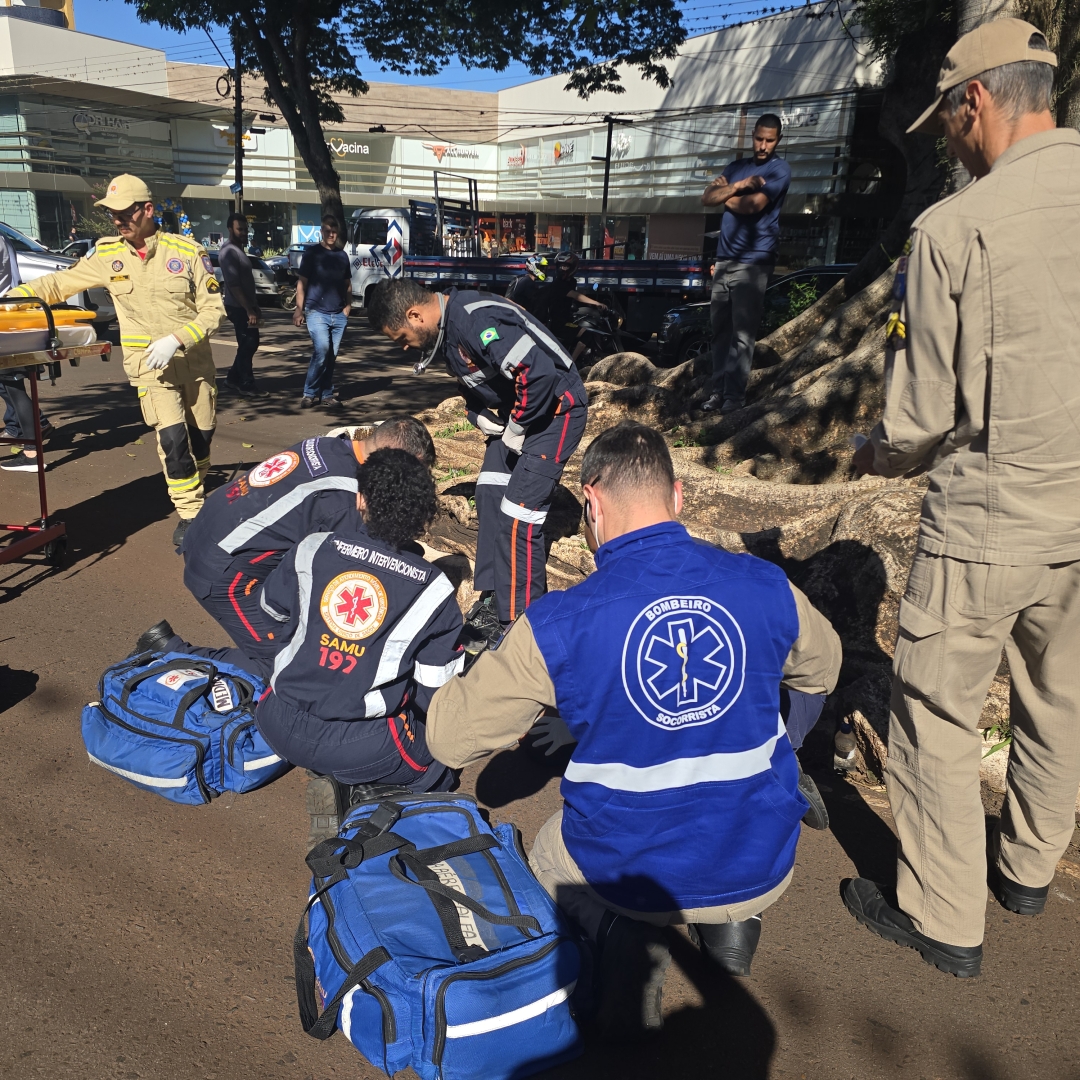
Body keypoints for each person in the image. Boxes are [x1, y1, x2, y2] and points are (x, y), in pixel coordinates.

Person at [425, 421, 841, 1037]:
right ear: (677, 496)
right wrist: (784, 744)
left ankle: (616, 939)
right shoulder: (766, 585)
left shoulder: (560, 622)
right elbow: (823, 667)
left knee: (546, 851)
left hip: (629, 873)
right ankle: (730, 928)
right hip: (763, 862)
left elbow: (448, 740)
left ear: (590, 502)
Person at [846, 20, 1076, 979]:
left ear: (975, 100)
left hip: (989, 513)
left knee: (936, 713)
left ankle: (944, 916)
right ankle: (1026, 870)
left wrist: (876, 453)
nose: (948, 139)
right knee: (1061, 699)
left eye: (946, 121)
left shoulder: (954, 227)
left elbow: (918, 415)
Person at [133, 449, 464, 849]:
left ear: (361, 500)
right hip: (355, 743)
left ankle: (341, 779)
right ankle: (362, 803)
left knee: (277, 662)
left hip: (275, 719)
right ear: (423, 517)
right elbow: (436, 697)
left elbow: (271, 608)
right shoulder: (435, 590)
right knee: (439, 760)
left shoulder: (314, 548)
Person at [3, 174, 224, 545]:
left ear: (147, 210)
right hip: (149, 370)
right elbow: (59, 283)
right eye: (112, 215)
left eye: (124, 213)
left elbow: (214, 309)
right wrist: (16, 298)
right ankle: (190, 513)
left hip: (195, 365)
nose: (118, 221)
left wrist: (177, 339)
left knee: (201, 440)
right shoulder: (108, 254)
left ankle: (196, 482)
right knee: (172, 440)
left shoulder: (187, 253)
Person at [368, 278, 588, 635]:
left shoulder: (474, 319)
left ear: (415, 315)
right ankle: (493, 597)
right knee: (488, 491)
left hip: (556, 410)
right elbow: (471, 383)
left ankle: (520, 625)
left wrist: (517, 427)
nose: (405, 349)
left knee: (519, 517)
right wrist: (477, 415)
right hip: (519, 414)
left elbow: (538, 374)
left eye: (402, 338)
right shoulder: (446, 333)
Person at [154, 415, 437, 666]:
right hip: (224, 573)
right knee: (286, 665)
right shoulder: (346, 496)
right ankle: (168, 653)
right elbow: (354, 562)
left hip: (207, 532)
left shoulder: (327, 445)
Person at [700, 114, 790, 413]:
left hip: (754, 263)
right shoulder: (738, 168)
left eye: (770, 140)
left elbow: (753, 206)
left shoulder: (779, 169)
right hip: (724, 260)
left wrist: (725, 195)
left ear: (778, 140)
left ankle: (734, 399)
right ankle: (717, 393)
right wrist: (739, 185)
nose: (763, 145)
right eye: (759, 138)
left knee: (742, 335)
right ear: (753, 136)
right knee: (720, 332)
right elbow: (706, 197)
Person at [293, 214, 352, 410]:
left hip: (338, 314)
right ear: (322, 232)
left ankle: (326, 394)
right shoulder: (312, 254)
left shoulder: (342, 256)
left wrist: (348, 307)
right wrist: (298, 310)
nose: (331, 234)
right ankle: (309, 392)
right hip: (316, 311)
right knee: (322, 350)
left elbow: (347, 284)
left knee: (331, 356)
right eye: (328, 231)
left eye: (334, 231)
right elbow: (301, 283)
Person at [219, 212, 266, 398]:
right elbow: (234, 285)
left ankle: (232, 378)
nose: (244, 232)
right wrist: (248, 309)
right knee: (248, 343)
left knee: (249, 343)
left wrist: (254, 306)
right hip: (237, 306)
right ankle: (246, 384)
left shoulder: (238, 250)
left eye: (246, 229)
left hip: (245, 306)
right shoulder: (229, 251)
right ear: (230, 229)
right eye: (240, 229)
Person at [545, 251, 612, 364]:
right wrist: (596, 303)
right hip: (558, 323)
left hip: (567, 318)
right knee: (587, 334)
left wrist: (591, 304)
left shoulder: (571, 281)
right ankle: (570, 362)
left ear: (572, 268)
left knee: (588, 324)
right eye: (561, 266)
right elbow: (576, 295)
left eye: (566, 266)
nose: (563, 269)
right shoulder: (558, 284)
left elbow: (572, 297)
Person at [504, 254, 550, 319]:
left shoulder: (523, 278)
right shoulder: (528, 283)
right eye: (542, 268)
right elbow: (535, 305)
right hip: (518, 317)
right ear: (534, 267)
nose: (544, 271)